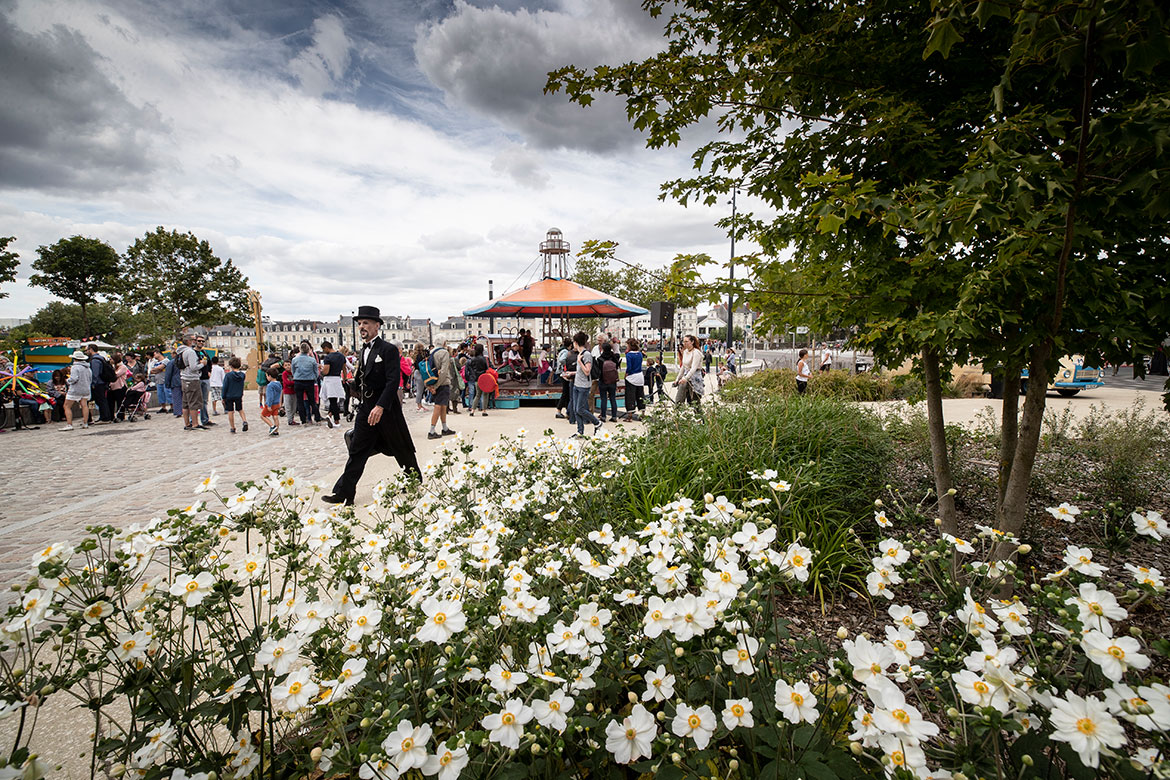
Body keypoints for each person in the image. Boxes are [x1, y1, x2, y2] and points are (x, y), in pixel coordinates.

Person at [323, 306, 421, 506]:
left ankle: (414, 479)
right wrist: (352, 386)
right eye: (359, 324)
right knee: (357, 449)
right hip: (366, 408)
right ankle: (344, 493)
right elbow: (362, 378)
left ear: (377, 325)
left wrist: (381, 406)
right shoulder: (363, 351)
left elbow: (393, 381)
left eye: (366, 323)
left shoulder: (388, 350)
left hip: (386, 409)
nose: (362, 327)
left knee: (400, 447)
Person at [568, 331, 603, 438]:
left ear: (575, 342)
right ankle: (580, 431)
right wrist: (571, 373)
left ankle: (597, 423)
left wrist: (579, 362)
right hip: (577, 384)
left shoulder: (586, 355)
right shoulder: (580, 354)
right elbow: (581, 371)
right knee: (575, 409)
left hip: (584, 386)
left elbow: (587, 371)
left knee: (580, 409)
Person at [176, 335, 207, 430]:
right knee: (194, 402)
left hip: (184, 378)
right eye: (193, 340)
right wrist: (202, 364)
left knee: (185, 403)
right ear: (189, 341)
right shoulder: (190, 352)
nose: (195, 341)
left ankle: (187, 423)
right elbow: (193, 367)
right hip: (192, 379)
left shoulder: (180, 351)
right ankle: (195, 423)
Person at [428, 343, 455, 439]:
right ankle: (431, 431)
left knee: (443, 405)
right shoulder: (444, 353)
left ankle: (445, 428)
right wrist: (436, 386)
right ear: (443, 343)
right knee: (438, 406)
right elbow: (443, 371)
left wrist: (430, 386)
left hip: (434, 380)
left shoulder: (432, 352)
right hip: (442, 383)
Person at [60, 351, 92, 431]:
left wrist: (68, 380)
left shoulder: (75, 367)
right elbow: (90, 379)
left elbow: (74, 378)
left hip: (75, 389)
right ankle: (85, 423)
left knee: (66, 406)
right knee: (84, 405)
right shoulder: (88, 368)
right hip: (86, 388)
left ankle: (69, 424)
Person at [319, 341, 345, 428]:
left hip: (329, 379)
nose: (323, 351)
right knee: (335, 399)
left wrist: (321, 370)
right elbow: (344, 368)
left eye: (323, 349)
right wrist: (344, 378)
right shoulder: (341, 356)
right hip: (337, 379)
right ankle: (330, 415)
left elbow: (326, 371)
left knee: (332, 400)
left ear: (326, 347)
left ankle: (336, 420)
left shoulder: (328, 358)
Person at [674, 334, 704, 406]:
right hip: (685, 376)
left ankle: (699, 416)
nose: (685, 343)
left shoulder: (696, 352)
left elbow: (693, 368)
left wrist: (686, 378)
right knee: (679, 399)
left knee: (695, 402)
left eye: (686, 341)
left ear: (692, 342)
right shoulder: (685, 352)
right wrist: (677, 379)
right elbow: (683, 367)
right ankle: (678, 413)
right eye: (684, 342)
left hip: (695, 377)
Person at [86, 344, 112, 423]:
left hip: (98, 384)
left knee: (100, 400)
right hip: (102, 382)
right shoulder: (101, 358)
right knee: (102, 400)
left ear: (91, 349)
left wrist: (93, 384)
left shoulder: (95, 360)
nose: (86, 352)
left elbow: (95, 373)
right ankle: (105, 417)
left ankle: (105, 418)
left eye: (87, 350)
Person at [622, 338, 645, 422]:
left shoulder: (629, 355)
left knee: (630, 396)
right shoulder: (640, 354)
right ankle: (643, 413)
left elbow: (629, 367)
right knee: (640, 395)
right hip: (640, 375)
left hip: (632, 377)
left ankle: (630, 416)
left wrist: (626, 374)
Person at [194, 336, 215, 426]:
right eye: (199, 341)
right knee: (195, 400)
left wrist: (209, 371)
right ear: (195, 341)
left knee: (204, 400)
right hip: (196, 378)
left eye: (203, 341)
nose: (201, 343)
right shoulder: (193, 353)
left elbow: (209, 363)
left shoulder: (204, 352)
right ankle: (193, 421)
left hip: (205, 378)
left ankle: (205, 419)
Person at [598, 341, 620, 422]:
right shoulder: (614, 358)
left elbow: (598, 371)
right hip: (612, 381)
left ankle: (603, 416)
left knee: (603, 399)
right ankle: (614, 416)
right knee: (612, 398)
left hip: (603, 381)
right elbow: (617, 366)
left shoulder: (600, 359)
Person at [466, 343, 489, 416]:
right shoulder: (484, 359)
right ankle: (484, 410)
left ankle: (472, 410)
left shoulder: (472, 359)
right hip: (484, 378)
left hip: (476, 379)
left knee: (477, 395)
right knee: (485, 394)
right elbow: (486, 368)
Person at [554, 338, 573, 420]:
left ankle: (567, 411)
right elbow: (562, 360)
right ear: (570, 345)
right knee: (566, 392)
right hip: (562, 373)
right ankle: (559, 410)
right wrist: (567, 364)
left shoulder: (561, 350)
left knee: (566, 392)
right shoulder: (565, 351)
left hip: (559, 372)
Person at [163, 347, 184, 418]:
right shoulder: (183, 361)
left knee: (176, 397)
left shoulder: (171, 362)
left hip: (175, 381)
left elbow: (168, 374)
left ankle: (178, 412)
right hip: (184, 380)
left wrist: (167, 383)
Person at [108, 352, 128, 421]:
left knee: (120, 402)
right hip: (112, 387)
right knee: (110, 402)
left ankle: (120, 416)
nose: (110, 360)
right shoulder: (113, 366)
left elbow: (116, 374)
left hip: (120, 387)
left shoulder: (123, 367)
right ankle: (111, 416)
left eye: (111, 359)